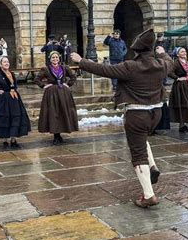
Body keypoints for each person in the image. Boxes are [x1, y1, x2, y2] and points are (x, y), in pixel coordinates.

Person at [70, 29, 175, 208]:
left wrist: (82, 61)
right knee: (142, 141)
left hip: (137, 114)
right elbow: (170, 61)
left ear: (137, 50)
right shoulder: (162, 64)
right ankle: (152, 167)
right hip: (156, 114)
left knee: (137, 152)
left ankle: (148, 195)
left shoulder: (130, 67)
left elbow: (105, 69)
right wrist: (162, 52)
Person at [0, 56, 31, 148]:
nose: (7, 63)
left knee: (16, 117)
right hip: (4, 100)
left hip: (14, 99)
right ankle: (5, 139)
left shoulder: (12, 74)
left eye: (8, 62)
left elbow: (14, 85)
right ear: (0, 64)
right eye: (4, 62)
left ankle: (13, 140)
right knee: (5, 119)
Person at [34, 50, 78, 145]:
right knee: (54, 113)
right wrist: (44, 85)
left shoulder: (64, 67)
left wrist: (68, 84)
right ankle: (55, 135)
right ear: (50, 59)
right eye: (53, 57)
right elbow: (37, 79)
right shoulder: (46, 69)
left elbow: (73, 76)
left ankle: (60, 134)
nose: (55, 59)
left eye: (56, 57)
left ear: (59, 58)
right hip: (52, 93)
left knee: (62, 112)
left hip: (63, 92)